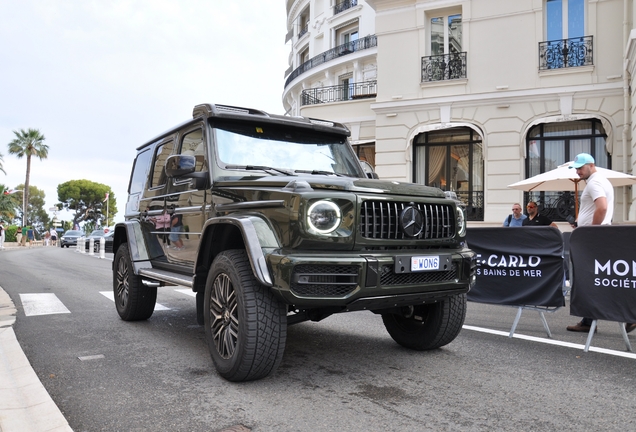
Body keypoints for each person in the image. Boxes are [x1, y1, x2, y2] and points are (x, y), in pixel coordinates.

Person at [565, 153, 636, 333]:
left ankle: (629, 315)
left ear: (591, 165)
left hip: (594, 237)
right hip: (601, 235)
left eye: (581, 167)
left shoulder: (595, 182)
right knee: (601, 278)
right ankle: (590, 321)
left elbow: (602, 207)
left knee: (593, 278)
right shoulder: (602, 181)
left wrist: (591, 230)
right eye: (576, 168)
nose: (578, 171)